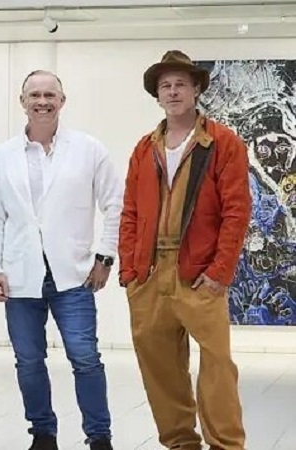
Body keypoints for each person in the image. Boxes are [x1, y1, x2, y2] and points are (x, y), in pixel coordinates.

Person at [0, 70, 122, 450]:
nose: (42, 102)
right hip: (20, 276)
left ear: (62, 100)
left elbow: (115, 204)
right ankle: (43, 434)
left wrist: (105, 256)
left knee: (85, 357)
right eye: (34, 95)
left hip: (74, 275)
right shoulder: (3, 156)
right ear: (22, 101)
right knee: (28, 360)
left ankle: (99, 437)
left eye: (49, 95)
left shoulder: (89, 149)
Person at [118, 50, 251, 450]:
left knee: (217, 366)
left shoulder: (223, 142)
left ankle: (226, 444)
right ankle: (180, 443)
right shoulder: (145, 148)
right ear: (157, 94)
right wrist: (130, 271)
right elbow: (130, 211)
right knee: (159, 368)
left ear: (196, 90)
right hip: (149, 275)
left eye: (180, 84)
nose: (173, 91)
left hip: (199, 275)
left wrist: (220, 271)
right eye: (165, 86)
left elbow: (236, 212)